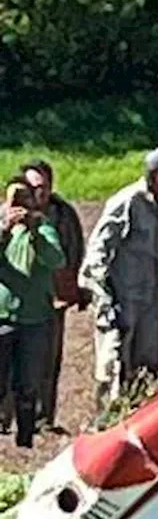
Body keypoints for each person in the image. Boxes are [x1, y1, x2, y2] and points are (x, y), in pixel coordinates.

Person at [79, 147, 158, 427]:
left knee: (147, 365)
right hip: (122, 298)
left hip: (149, 299)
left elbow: (156, 253)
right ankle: (106, 426)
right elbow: (97, 252)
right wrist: (105, 297)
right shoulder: (126, 202)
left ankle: (140, 424)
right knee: (115, 365)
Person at [20, 159, 87, 432]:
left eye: (44, 187)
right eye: (34, 187)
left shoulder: (63, 215)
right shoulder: (9, 214)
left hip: (51, 299)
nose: (40, 193)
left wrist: (72, 287)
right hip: (16, 301)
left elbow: (74, 250)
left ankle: (44, 417)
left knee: (49, 360)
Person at [0, 176, 66, 447]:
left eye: (25, 199)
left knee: (28, 382)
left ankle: (26, 436)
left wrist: (34, 232)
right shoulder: (2, 228)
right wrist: (5, 230)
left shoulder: (44, 228)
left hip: (34, 316)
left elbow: (56, 259)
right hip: (3, 315)